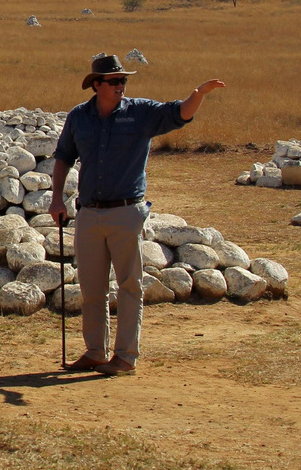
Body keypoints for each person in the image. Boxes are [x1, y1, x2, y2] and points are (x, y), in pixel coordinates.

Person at [49, 54, 225, 376]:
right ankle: (95, 352)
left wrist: (197, 96)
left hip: (126, 212)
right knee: (91, 287)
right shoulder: (79, 117)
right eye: (114, 81)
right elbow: (63, 157)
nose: (121, 86)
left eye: (123, 80)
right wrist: (57, 198)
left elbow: (178, 114)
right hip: (89, 213)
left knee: (130, 286)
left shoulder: (141, 112)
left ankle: (126, 357)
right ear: (97, 84)